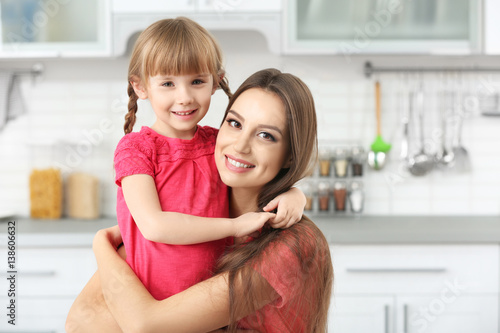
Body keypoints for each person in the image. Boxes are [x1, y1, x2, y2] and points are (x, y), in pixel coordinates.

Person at [67, 68, 333, 332]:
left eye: (266, 135)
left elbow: (147, 326)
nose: (240, 145)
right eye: (234, 123)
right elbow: (80, 322)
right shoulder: (194, 215)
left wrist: (103, 245)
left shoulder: (292, 246)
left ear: (290, 156)